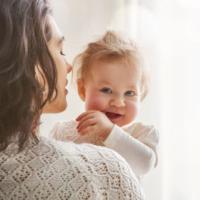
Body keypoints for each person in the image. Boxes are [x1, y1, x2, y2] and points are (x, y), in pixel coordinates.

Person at [0, 0, 144, 199]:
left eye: (130, 93)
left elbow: (145, 161)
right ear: (29, 63)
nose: (68, 66)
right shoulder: (103, 173)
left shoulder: (141, 134)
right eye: (60, 51)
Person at [51, 31, 159, 177]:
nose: (118, 102)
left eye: (129, 93)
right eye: (106, 90)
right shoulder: (64, 132)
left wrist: (109, 132)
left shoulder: (141, 133)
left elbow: (144, 165)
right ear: (83, 90)